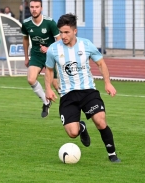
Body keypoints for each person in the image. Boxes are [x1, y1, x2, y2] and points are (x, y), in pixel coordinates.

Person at [45, 13, 121, 162]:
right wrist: (48, 88)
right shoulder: (53, 49)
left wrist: (107, 82)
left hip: (88, 92)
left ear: (75, 31)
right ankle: (82, 127)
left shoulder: (86, 44)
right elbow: (48, 70)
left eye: (66, 32)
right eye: (61, 32)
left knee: (100, 120)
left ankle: (112, 154)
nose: (63, 35)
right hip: (67, 95)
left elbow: (101, 63)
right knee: (73, 133)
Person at [21, 0, 61, 118]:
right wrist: (26, 57)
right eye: (32, 7)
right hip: (36, 55)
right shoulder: (26, 23)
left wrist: (49, 49)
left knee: (56, 85)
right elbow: (25, 39)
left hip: (50, 56)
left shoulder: (50, 22)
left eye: (37, 7)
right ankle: (46, 101)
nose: (34, 9)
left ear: (41, 8)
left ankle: (67, 106)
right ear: (29, 8)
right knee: (31, 79)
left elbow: (59, 41)